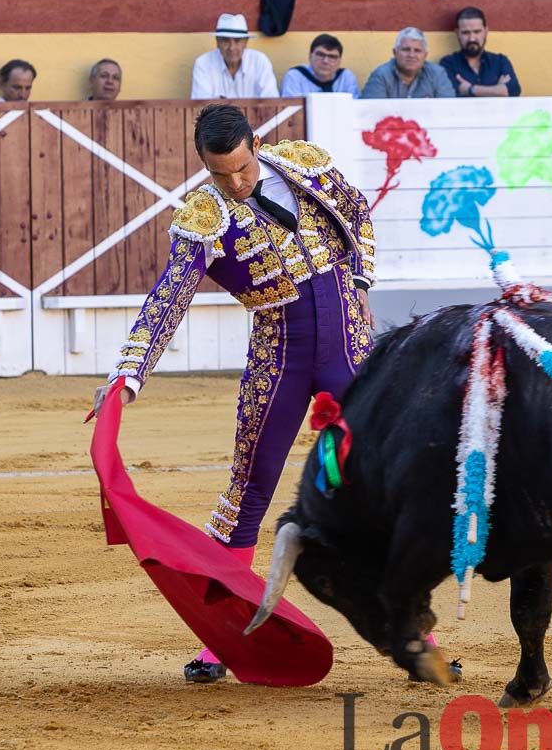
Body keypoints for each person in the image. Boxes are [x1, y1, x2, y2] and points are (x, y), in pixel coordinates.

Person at [89, 105, 377, 684]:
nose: (237, 184)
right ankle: (222, 638)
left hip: (348, 340)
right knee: (249, 488)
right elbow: (168, 297)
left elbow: (357, 213)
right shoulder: (203, 216)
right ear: (204, 167)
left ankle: (413, 626)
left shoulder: (302, 163)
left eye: (242, 169)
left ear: (257, 145)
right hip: (279, 353)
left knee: (375, 479)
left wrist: (363, 283)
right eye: (221, 175)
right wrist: (128, 374)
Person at [190, 13, 278, 100]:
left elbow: (271, 103)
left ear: (246, 43)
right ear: (217, 42)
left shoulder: (260, 62)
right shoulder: (204, 63)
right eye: (225, 41)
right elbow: (201, 106)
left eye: (237, 41)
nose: (232, 48)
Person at [439, 7, 521, 98]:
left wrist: (470, 89)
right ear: (457, 33)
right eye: (465, 33)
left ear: (486, 31)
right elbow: (449, 94)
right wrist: (497, 89)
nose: (472, 38)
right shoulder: (448, 64)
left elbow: (513, 90)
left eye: (477, 32)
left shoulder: (500, 62)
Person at [361, 27, 456, 99]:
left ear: (425, 55)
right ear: (395, 53)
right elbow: (371, 113)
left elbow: (448, 110)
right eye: (406, 49)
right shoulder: (381, 75)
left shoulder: (437, 74)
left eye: (417, 50)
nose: (411, 55)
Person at [280, 33, 360, 98]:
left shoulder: (345, 77)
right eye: (320, 54)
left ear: (339, 61)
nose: (325, 61)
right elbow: (291, 112)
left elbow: (354, 109)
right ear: (310, 56)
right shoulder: (295, 76)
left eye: (332, 57)